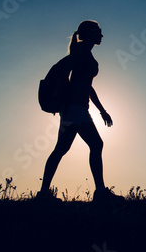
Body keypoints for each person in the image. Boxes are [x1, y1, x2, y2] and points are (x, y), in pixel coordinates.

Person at [37, 20, 121, 202]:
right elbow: (64, 72)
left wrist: (102, 110)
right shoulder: (81, 50)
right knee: (62, 149)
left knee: (95, 145)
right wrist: (61, 98)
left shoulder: (86, 53)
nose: (102, 35)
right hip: (73, 109)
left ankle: (100, 192)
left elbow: (87, 87)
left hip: (81, 110)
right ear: (90, 33)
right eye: (99, 31)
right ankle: (43, 194)